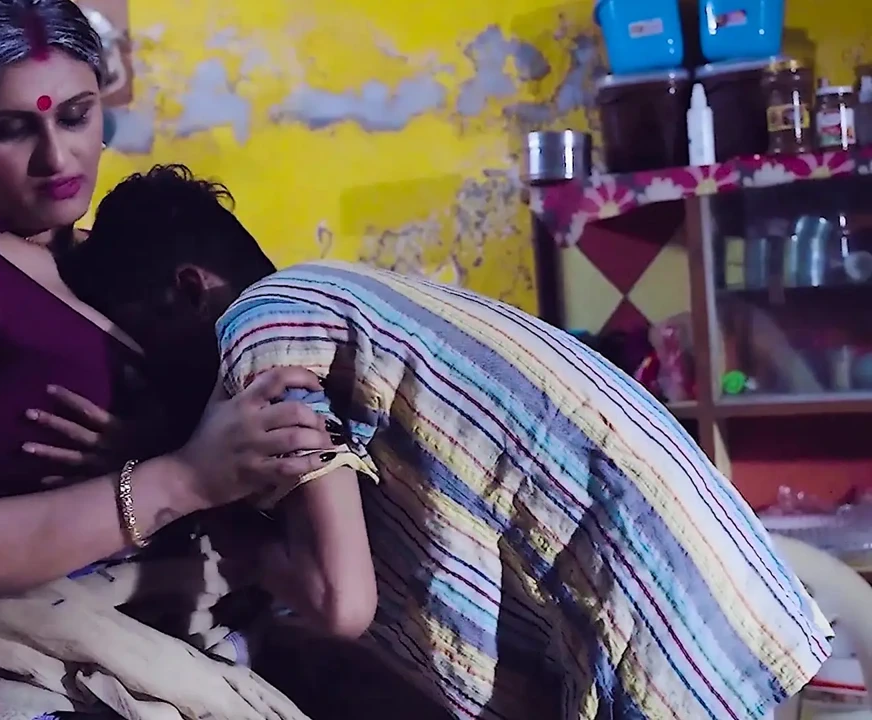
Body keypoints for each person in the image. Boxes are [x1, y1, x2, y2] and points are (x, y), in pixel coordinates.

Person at [55, 163, 834, 719]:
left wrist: (205, 513)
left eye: (142, 333)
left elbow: (340, 601)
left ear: (191, 288)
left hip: (652, 628)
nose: (150, 364)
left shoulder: (263, 327)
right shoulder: (343, 295)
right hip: (700, 601)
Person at [0, 3, 335, 719]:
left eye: (77, 115)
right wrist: (178, 479)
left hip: (192, 628)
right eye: (12, 128)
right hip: (17, 649)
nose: (57, 159)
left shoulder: (122, 263)